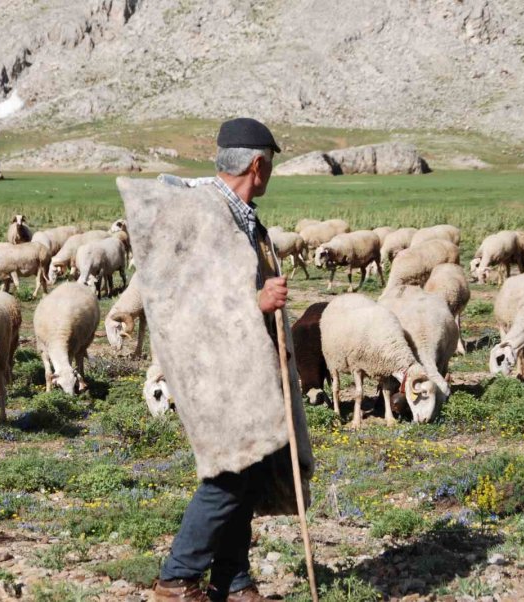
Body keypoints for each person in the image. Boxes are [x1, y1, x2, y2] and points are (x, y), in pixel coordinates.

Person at [153, 118, 290, 602]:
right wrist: (257, 303)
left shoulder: (242, 217)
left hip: (244, 366)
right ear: (257, 165)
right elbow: (187, 302)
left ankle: (232, 579)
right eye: (270, 165)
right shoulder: (206, 218)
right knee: (229, 473)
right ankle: (176, 579)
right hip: (214, 369)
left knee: (248, 472)